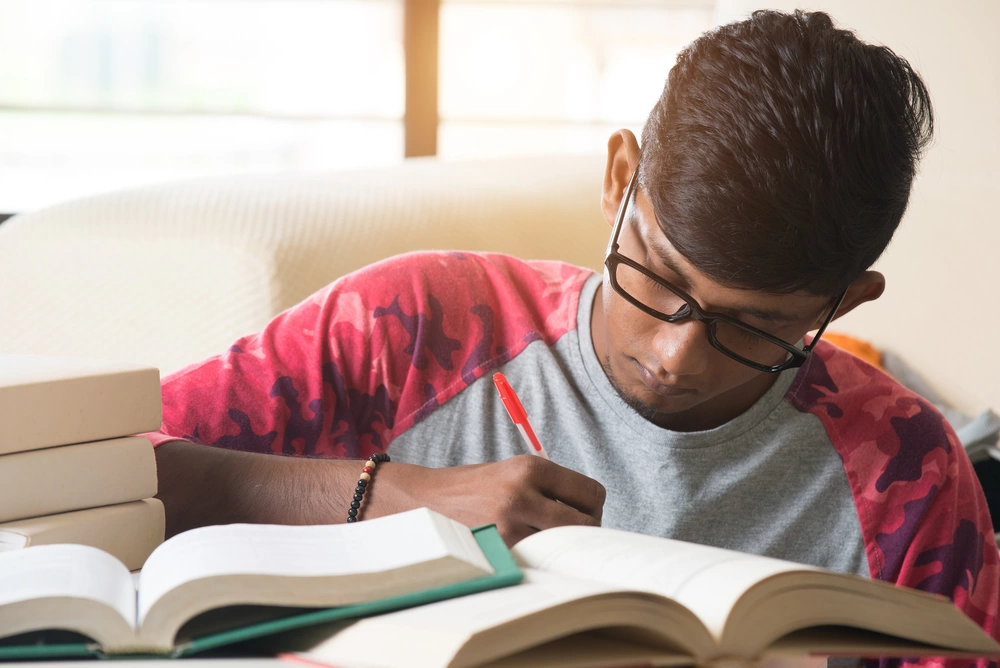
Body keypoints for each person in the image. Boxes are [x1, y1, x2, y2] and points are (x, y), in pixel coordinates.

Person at [149, 8, 997, 652]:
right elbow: (84, 477)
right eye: (657, 277)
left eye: (757, 325)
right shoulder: (417, 330)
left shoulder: (907, 475)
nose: (676, 356)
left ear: (841, 305)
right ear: (619, 177)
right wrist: (388, 498)